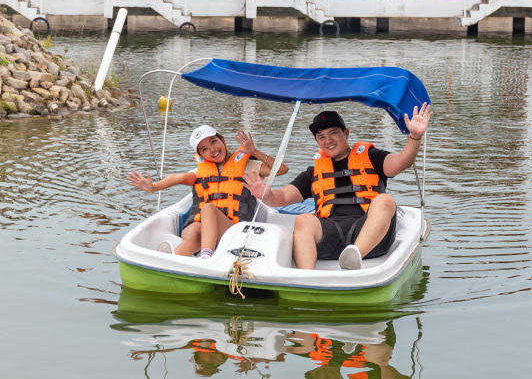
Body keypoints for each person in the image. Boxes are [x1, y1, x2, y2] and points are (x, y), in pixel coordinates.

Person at [243, 105, 431, 270]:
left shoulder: (372, 157)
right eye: (321, 137)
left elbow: (402, 162)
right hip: (331, 234)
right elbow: (282, 197)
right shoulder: (313, 172)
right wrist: (265, 195)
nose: (328, 140)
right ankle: (305, 278)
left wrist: (414, 137)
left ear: (346, 133)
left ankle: (354, 256)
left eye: (333, 133)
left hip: (371, 237)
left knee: (385, 201)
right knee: (303, 219)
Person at [128, 125, 288, 258]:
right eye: (205, 149)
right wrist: (154, 187)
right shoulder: (200, 172)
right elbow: (178, 177)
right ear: (200, 155)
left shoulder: (247, 166)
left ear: (222, 139)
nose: (212, 150)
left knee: (208, 208)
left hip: (233, 230)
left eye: (213, 142)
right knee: (193, 233)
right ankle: (170, 262)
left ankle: (205, 257)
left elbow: (282, 169)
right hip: (202, 229)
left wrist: (254, 151)